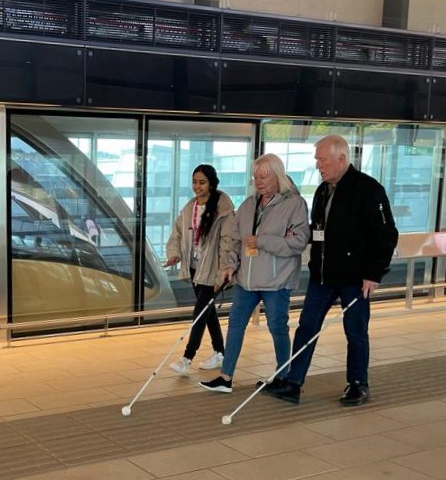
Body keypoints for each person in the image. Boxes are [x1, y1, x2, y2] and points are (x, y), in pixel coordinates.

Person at [266, 135, 399, 406]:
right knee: (307, 328)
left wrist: (374, 273)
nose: (318, 165)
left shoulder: (368, 189)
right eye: (317, 160)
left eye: (322, 159)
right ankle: (294, 382)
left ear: (341, 158)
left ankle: (358, 384)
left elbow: (385, 234)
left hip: (355, 278)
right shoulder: (322, 190)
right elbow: (319, 231)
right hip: (323, 277)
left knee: (355, 331)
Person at [199, 154, 309, 393]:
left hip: (276, 280)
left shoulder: (295, 204)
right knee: (235, 324)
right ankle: (225, 377)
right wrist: (229, 265)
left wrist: (263, 241)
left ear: (277, 175)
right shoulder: (249, 204)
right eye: (255, 177)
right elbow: (237, 241)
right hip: (246, 279)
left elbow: (299, 242)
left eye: (263, 176)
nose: (258, 181)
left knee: (277, 327)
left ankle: (284, 375)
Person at [165, 164, 234, 375]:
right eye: (195, 182)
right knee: (208, 311)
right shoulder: (190, 207)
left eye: (202, 182)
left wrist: (224, 269)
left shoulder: (223, 207)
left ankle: (187, 357)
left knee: (200, 312)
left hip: (213, 270)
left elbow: (228, 240)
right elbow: (177, 232)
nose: (197, 186)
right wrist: (174, 254)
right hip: (194, 267)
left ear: (212, 183)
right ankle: (220, 352)